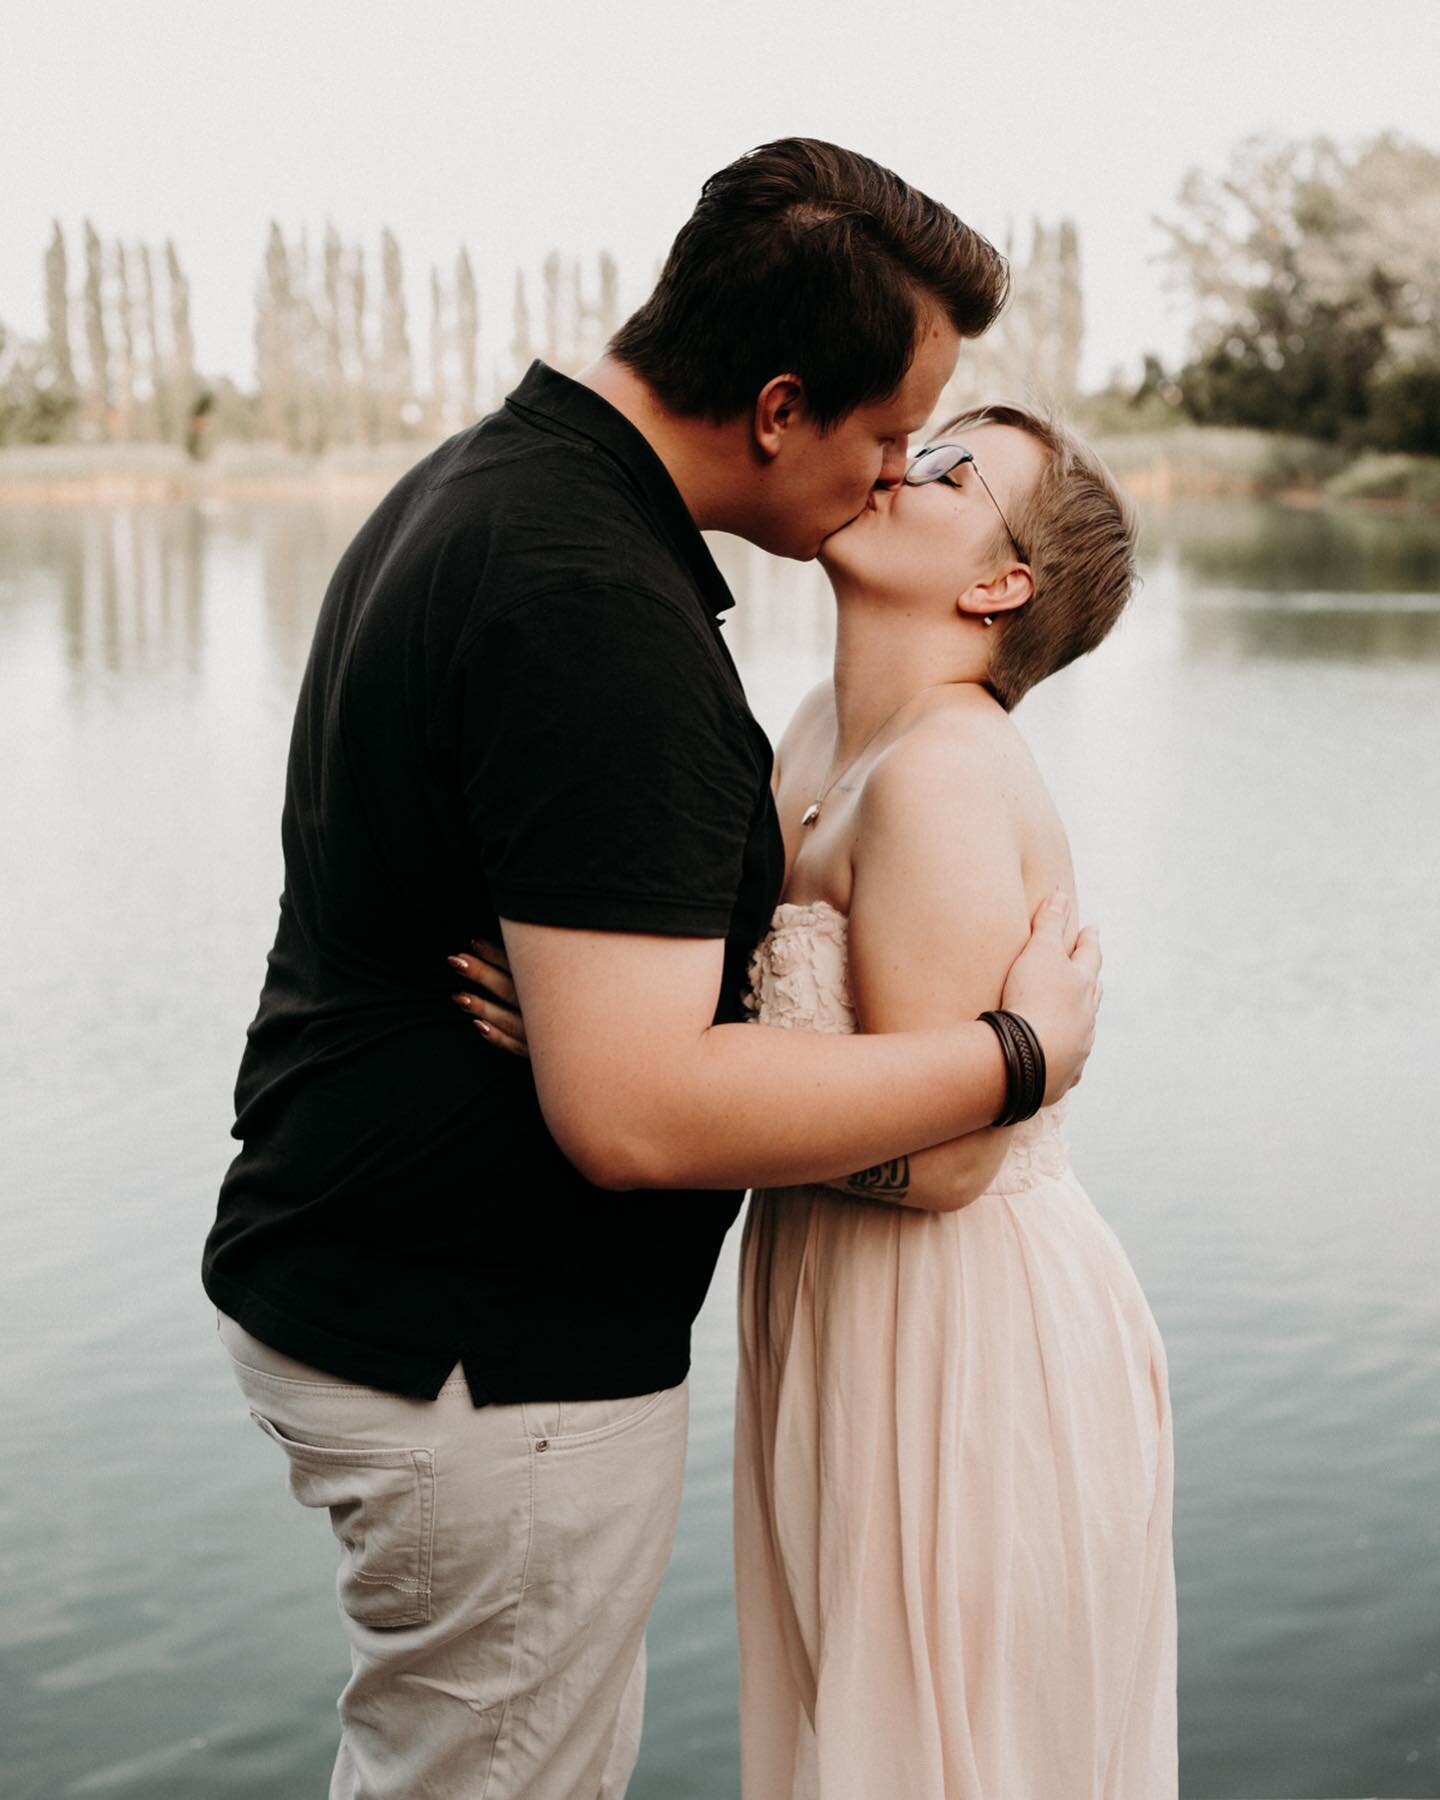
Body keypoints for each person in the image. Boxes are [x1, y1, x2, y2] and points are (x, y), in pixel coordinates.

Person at [203, 139, 1103, 1800]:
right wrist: (1020, 1053)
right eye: (892, 431)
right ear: (777, 408)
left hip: (393, 1293)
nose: (895, 469)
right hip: (483, 1358)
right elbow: (631, 1114)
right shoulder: (596, 605)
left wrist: (613, 1014)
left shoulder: (495, 486)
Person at [469, 407, 1175, 1798]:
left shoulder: (945, 777)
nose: (897, 464)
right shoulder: (812, 732)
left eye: (949, 468)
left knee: (929, 1747)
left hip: (965, 1329)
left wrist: (634, 1102)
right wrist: (601, 1028)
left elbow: (952, 1166)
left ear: (1000, 585)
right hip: (841, 1307)